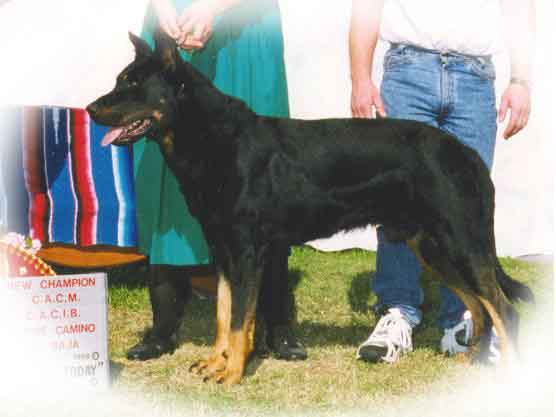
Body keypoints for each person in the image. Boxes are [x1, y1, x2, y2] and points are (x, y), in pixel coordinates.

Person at [349, 0, 533, 363]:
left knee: (465, 212)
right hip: (407, 71)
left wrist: (521, 81)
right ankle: (398, 312)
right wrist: (360, 78)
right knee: (395, 204)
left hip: (474, 78)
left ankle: (464, 318)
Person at [128, 0, 307, 362]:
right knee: (168, 173)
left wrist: (213, 7)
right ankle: (164, 321)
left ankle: (277, 320)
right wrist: (162, 8)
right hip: (172, 15)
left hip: (246, 26)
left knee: (261, 179)